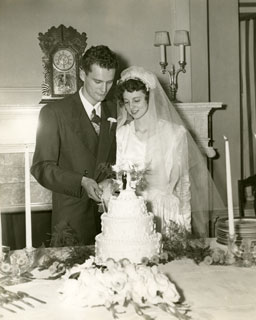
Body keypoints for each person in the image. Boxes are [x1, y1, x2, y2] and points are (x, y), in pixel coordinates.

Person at [114, 66, 223, 236]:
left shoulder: (175, 133)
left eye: (137, 100)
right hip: (133, 216)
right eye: (127, 102)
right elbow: (119, 181)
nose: (131, 107)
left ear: (149, 99)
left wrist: (185, 226)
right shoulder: (122, 134)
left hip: (167, 215)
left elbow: (183, 186)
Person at [31, 45, 118, 245]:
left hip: (111, 218)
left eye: (109, 82)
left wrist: (113, 181)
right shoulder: (53, 113)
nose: (103, 89)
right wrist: (81, 181)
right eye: (97, 81)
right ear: (81, 74)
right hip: (72, 218)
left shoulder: (116, 110)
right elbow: (41, 167)